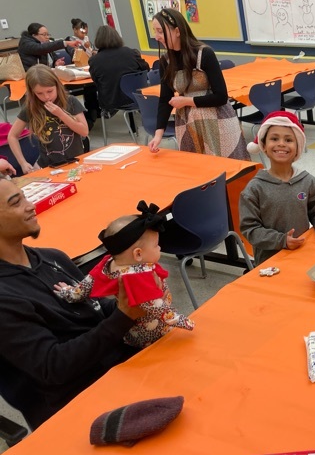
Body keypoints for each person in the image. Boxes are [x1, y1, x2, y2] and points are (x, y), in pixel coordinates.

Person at [0, 178, 143, 430]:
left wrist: (139, 304)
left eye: (24, 196)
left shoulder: (51, 257)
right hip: (77, 406)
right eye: (16, 203)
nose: (31, 205)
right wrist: (123, 316)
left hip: (118, 368)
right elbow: (53, 367)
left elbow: (96, 307)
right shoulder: (5, 297)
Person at [55, 201, 194, 348]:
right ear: (138, 254)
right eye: (156, 245)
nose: (159, 247)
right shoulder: (137, 278)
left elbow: (85, 287)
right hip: (152, 333)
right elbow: (156, 307)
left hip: (130, 329)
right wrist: (184, 321)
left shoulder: (108, 263)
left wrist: (68, 292)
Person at [239, 111, 315, 265]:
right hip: (269, 263)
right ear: (263, 145)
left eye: (289, 140)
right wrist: (281, 240)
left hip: (302, 255)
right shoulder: (254, 189)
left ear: (298, 148)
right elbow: (250, 230)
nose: (281, 144)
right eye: (274, 139)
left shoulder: (308, 181)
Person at [148, 8, 245, 159]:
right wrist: (158, 134)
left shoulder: (204, 54)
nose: (157, 37)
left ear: (177, 31)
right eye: (155, 31)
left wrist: (186, 101)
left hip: (217, 121)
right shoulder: (165, 62)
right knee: (197, 170)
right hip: (188, 125)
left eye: (160, 31)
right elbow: (165, 99)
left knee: (226, 169)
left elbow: (221, 97)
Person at [7, 65, 88, 173]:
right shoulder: (31, 108)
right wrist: (23, 163)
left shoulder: (71, 101)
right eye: (39, 93)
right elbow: (12, 136)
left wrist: (61, 114)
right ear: (32, 92)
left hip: (76, 161)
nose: (46, 97)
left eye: (50, 91)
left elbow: (84, 131)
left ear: (57, 86)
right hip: (48, 166)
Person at [88, 25, 149, 127]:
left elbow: (96, 81)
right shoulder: (131, 52)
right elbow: (146, 69)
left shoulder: (95, 60)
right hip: (137, 97)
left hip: (112, 100)